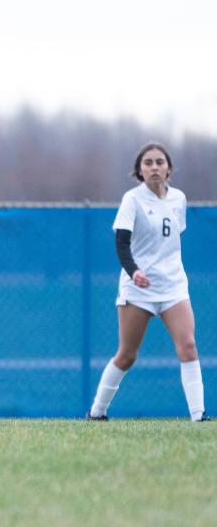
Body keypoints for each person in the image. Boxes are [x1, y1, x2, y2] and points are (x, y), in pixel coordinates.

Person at [87, 143, 209, 422]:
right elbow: (121, 243)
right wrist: (134, 271)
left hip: (173, 286)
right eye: (148, 163)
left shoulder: (178, 198)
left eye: (160, 162)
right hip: (138, 288)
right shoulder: (133, 199)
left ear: (169, 168)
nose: (154, 167)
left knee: (188, 346)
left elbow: (173, 238)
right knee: (127, 355)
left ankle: (198, 415)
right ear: (139, 171)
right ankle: (97, 412)